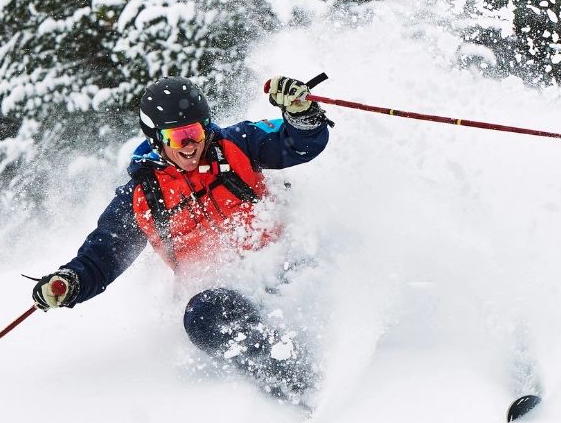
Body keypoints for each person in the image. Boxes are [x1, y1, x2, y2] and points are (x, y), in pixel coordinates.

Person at [31, 75, 334, 404]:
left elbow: (298, 144)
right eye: (178, 137)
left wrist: (301, 114)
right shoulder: (141, 197)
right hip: (225, 296)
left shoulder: (238, 144)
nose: (190, 145)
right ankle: (297, 389)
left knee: (314, 261)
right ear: (156, 139)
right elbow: (103, 255)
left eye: (196, 133)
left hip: (281, 266)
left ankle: (333, 371)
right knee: (201, 313)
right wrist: (71, 281)